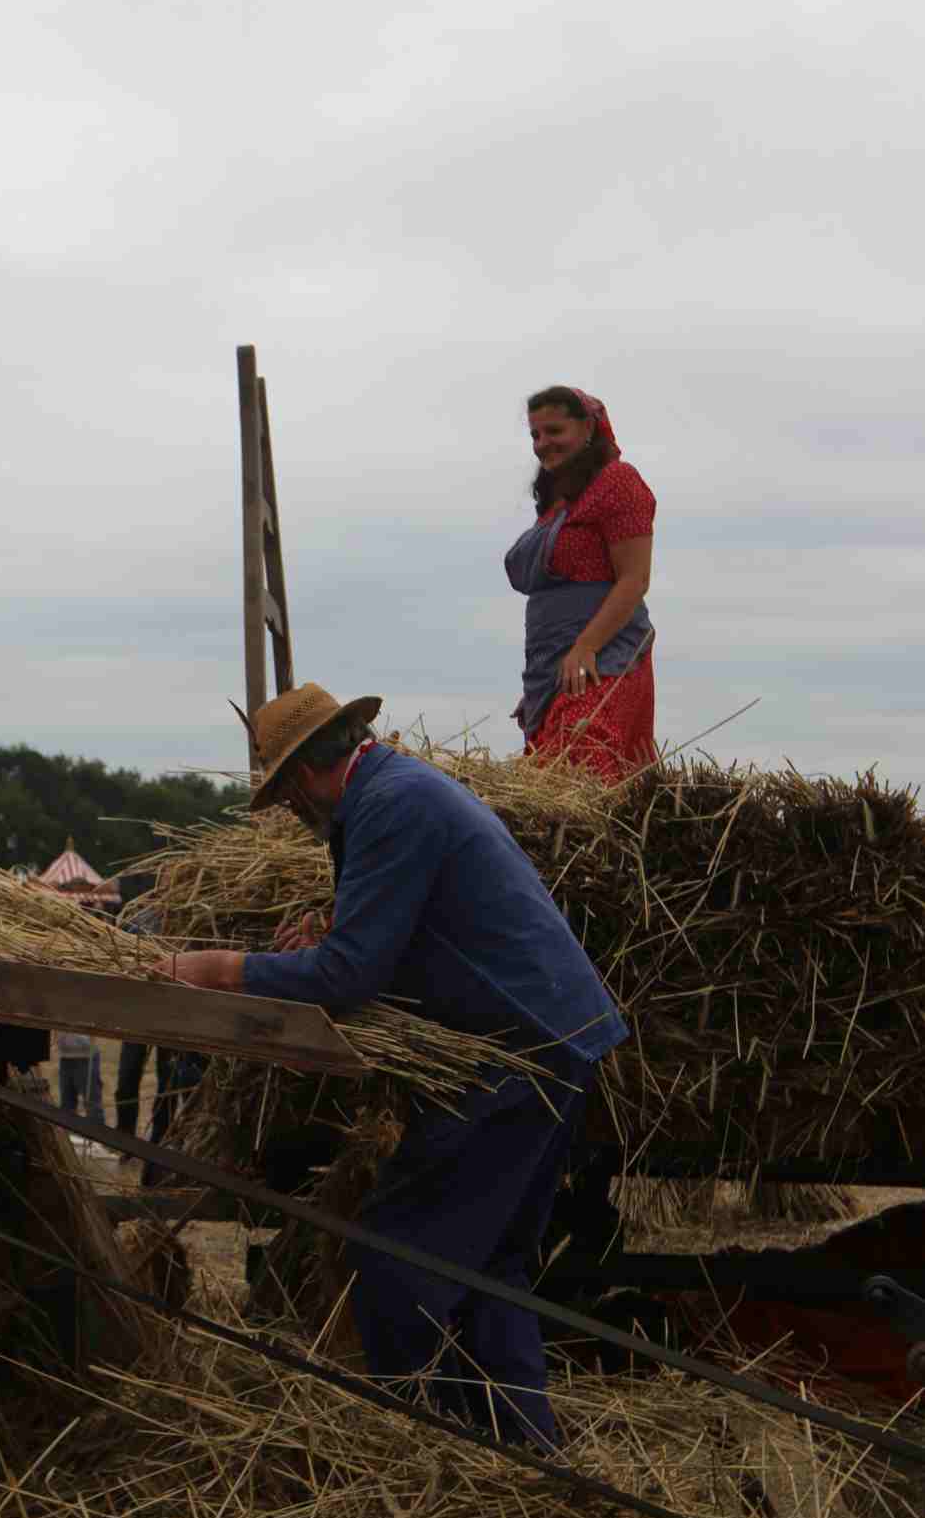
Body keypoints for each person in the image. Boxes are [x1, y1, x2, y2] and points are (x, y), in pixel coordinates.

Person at [163, 682, 629, 1448]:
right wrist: (325, 940)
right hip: (547, 1039)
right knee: (488, 1269)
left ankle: (423, 1448)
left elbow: (347, 976)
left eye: (285, 796)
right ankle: (522, 1454)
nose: (290, 812)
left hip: (516, 1052)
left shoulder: (391, 805)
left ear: (303, 775)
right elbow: (384, 944)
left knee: (392, 1260)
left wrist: (217, 970)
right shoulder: (393, 791)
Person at [506, 386, 657, 783]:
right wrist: (545, 680)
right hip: (556, 663)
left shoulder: (618, 481)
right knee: (548, 779)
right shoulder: (559, 503)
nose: (543, 443)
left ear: (588, 428)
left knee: (580, 773)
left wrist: (585, 648)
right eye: (536, 435)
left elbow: (635, 579)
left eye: (555, 430)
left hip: (604, 657)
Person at [56, 1028, 106, 1125]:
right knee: (66, 1105)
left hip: (86, 1056)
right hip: (65, 1056)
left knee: (93, 1107)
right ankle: (68, 1132)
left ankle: (95, 1133)